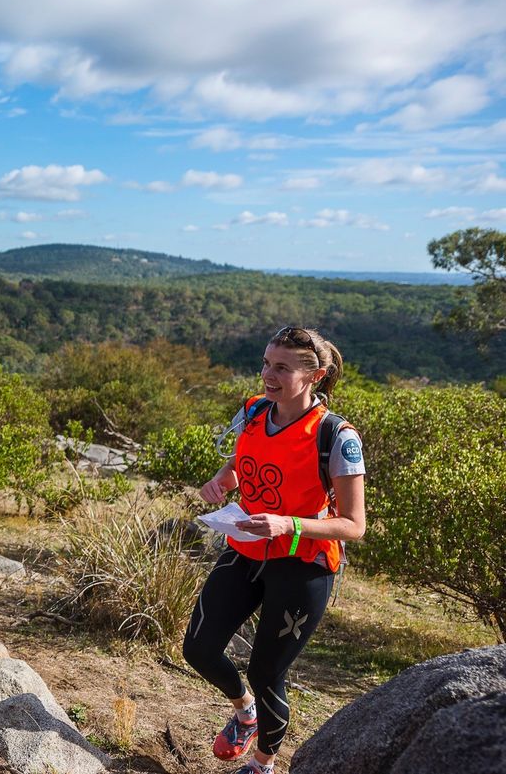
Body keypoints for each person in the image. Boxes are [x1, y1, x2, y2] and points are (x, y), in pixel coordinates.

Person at [182, 326, 366, 774]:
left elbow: (354, 525)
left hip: (303, 566)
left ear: (316, 376)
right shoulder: (253, 411)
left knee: (266, 673)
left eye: (282, 367)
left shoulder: (336, 437)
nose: (268, 374)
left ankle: (263, 763)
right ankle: (245, 712)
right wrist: (223, 480)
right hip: (245, 547)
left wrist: (288, 523)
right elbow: (245, 460)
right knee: (199, 650)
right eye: (266, 362)